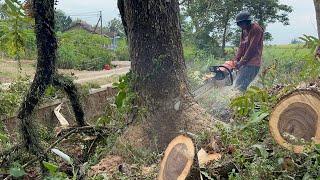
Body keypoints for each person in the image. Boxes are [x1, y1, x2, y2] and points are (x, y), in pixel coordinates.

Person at [232, 11, 264, 92]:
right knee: (237, 85)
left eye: (241, 24)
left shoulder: (256, 29)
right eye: (238, 24)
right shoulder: (244, 30)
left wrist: (241, 62)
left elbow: (252, 49)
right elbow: (241, 46)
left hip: (253, 64)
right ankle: (237, 102)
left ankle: (239, 102)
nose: (240, 26)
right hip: (246, 63)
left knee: (240, 87)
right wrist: (236, 59)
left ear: (247, 22)